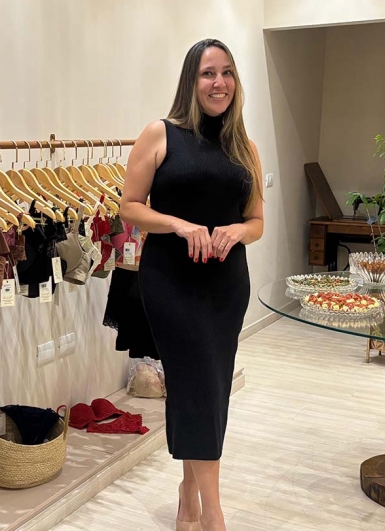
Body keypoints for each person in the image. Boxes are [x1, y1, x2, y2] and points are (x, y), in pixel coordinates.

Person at [120, 39, 263, 531]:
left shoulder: (245, 148)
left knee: (208, 387)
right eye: (207, 73)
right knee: (197, 382)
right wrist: (178, 225)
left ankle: (188, 494)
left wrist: (236, 232)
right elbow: (129, 207)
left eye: (227, 72)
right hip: (172, 283)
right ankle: (214, 515)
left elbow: (257, 222)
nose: (219, 83)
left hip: (226, 286)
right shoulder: (160, 134)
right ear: (191, 81)